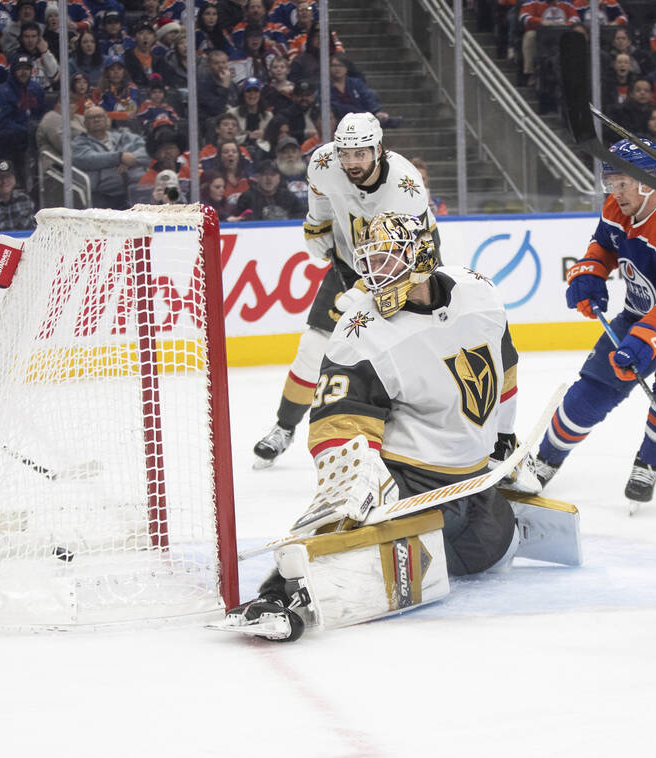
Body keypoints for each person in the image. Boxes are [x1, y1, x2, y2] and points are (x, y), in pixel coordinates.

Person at [214, 211, 579, 642]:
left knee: (492, 554)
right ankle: (281, 594)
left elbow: (504, 372)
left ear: (421, 255)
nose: (374, 275)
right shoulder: (360, 331)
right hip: (409, 483)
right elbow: (337, 421)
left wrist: (503, 439)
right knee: (346, 511)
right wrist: (358, 476)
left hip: (473, 484)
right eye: (369, 263)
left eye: (387, 260)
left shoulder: (478, 293)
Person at [526, 140, 656, 510]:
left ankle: (649, 464)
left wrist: (645, 339)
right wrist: (592, 271)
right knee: (596, 384)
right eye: (610, 181)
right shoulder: (617, 206)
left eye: (622, 182)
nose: (614, 191)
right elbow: (604, 245)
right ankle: (545, 460)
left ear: (649, 182)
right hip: (644, 309)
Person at [251, 112, 437, 468]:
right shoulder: (323, 161)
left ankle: (427, 433)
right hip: (350, 261)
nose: (352, 162)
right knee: (313, 348)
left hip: (407, 264)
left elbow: (404, 252)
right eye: (346, 153)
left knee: (410, 349)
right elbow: (320, 193)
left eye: (361, 154)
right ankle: (284, 426)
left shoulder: (404, 186)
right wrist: (317, 224)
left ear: (378, 150)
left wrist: (365, 291)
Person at [72, 105, 149, 209]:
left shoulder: (123, 136)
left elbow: (147, 150)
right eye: (91, 118)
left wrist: (129, 160)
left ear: (107, 120)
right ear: (85, 123)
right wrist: (119, 157)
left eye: (100, 116)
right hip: (102, 196)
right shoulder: (79, 143)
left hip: (133, 190)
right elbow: (87, 159)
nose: (96, 120)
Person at [232, 158, 304, 219]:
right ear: (257, 177)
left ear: (278, 178)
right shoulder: (246, 198)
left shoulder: (288, 196)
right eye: (265, 174)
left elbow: (301, 215)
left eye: (272, 175)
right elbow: (239, 220)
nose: (269, 178)